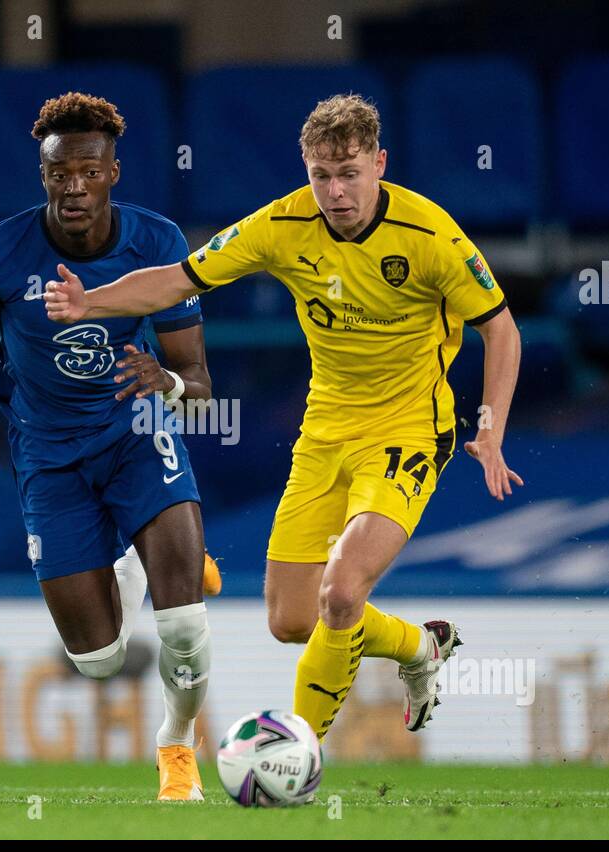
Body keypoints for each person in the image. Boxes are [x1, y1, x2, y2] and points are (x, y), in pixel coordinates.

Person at [44, 94, 523, 741]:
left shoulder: (429, 235)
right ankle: (419, 647)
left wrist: (489, 428)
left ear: (379, 164)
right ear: (306, 169)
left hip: (408, 430)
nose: (335, 191)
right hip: (324, 430)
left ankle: (296, 753)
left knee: (343, 591)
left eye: (349, 173)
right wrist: (87, 302)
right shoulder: (281, 226)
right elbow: (178, 279)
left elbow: (501, 330)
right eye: (321, 175)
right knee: (293, 621)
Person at [0, 92, 217, 798]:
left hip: (134, 432)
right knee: (96, 660)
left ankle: (178, 748)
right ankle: (134, 558)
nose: (74, 188)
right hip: (46, 453)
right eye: (59, 173)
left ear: (113, 173)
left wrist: (170, 384)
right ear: (43, 175)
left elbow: (199, 383)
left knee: (183, 626)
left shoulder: (157, 244)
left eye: (88, 173)